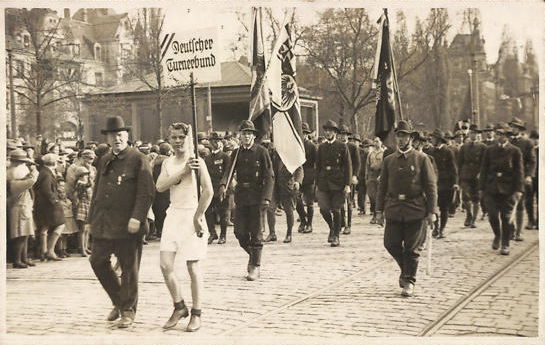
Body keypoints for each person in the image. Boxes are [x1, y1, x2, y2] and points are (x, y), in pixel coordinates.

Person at [88, 116, 155, 328]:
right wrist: (91, 220)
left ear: (127, 136)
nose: (116, 138)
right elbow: (97, 191)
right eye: (112, 135)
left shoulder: (138, 158)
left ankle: (128, 310)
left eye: (120, 134)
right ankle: (118, 301)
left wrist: (137, 217)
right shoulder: (105, 159)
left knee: (129, 268)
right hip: (104, 222)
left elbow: (146, 193)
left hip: (128, 224)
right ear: (107, 138)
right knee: (97, 261)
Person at [156, 122, 213, 331]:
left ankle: (197, 313)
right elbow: (160, 186)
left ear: (188, 139)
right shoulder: (168, 163)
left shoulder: (198, 162)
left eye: (182, 137)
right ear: (169, 139)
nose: (178, 141)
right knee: (165, 265)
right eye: (174, 137)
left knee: (193, 266)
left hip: (191, 215)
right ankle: (179, 306)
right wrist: (182, 172)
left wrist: (198, 216)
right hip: (173, 215)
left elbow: (208, 191)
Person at [376, 120, 437, 297]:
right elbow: (382, 187)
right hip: (394, 208)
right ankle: (406, 270)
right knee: (390, 244)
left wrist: (432, 212)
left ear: (411, 138)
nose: (401, 139)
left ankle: (409, 281)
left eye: (404, 135)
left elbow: (430, 186)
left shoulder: (422, 159)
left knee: (412, 248)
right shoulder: (389, 160)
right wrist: (379, 211)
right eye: (398, 135)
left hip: (415, 209)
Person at [219, 120, 274, 281]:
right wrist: (223, 185)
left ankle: (255, 267)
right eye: (244, 133)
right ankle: (254, 257)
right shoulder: (236, 153)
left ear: (253, 136)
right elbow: (228, 171)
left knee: (256, 233)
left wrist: (266, 197)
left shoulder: (261, 152)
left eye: (249, 133)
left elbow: (269, 176)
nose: (247, 136)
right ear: (240, 136)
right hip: (241, 196)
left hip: (257, 196)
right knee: (240, 233)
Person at [479, 123, 524, 255]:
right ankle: (497, 235)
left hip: (508, 189)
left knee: (506, 217)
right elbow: (484, 169)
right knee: (492, 215)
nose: (501, 137)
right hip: (491, 188)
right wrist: (481, 188)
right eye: (499, 134)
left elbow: (519, 172)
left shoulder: (515, 151)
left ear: (508, 137)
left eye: (503, 135)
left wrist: (518, 190)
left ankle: (505, 244)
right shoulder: (489, 150)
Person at [315, 120, 352, 247]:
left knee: (336, 209)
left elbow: (348, 167)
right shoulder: (321, 147)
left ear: (335, 132)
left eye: (330, 130)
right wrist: (317, 183)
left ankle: (336, 235)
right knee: (324, 209)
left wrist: (347, 184)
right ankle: (332, 228)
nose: (327, 133)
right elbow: (318, 166)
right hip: (324, 183)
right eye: (326, 131)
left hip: (338, 183)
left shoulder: (342, 146)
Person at [7, 149, 39, 268]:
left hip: (24, 206)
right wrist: (34, 170)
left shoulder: (16, 175)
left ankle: (24, 258)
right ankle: (17, 259)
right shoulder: (14, 180)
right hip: (19, 208)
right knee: (19, 235)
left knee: (25, 234)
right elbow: (32, 180)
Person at [33, 153, 66, 261]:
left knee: (44, 227)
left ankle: (44, 251)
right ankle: (50, 250)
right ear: (54, 162)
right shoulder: (47, 173)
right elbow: (46, 190)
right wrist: (55, 200)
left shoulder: (44, 171)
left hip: (42, 204)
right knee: (60, 224)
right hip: (49, 205)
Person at [508, 117, 536, 241]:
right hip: (507, 178)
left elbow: (532, 161)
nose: (513, 129)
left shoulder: (527, 143)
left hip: (521, 177)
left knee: (519, 204)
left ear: (519, 129)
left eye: (515, 127)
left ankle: (518, 232)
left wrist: (529, 175)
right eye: (511, 126)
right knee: (506, 205)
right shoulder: (507, 141)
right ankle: (511, 229)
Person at [428, 129, 458, 239]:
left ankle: (442, 230)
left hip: (446, 184)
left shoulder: (448, 152)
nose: (431, 140)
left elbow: (453, 169)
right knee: (434, 207)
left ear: (439, 140)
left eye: (433, 138)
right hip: (433, 183)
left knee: (444, 208)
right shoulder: (430, 152)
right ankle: (436, 227)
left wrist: (455, 183)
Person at [458, 124, 487, 228]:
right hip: (466, 174)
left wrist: (481, 173)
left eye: (475, 133)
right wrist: (460, 175)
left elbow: (485, 163)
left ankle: (474, 219)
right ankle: (468, 215)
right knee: (465, 196)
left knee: (476, 198)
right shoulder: (464, 147)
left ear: (478, 135)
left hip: (477, 174)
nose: (473, 135)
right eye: (471, 133)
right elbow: (460, 162)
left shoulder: (483, 147)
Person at [204, 132, 231, 244]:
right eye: (214, 141)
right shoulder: (208, 158)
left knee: (223, 213)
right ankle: (212, 233)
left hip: (222, 189)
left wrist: (223, 186)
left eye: (219, 140)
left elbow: (227, 173)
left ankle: (223, 235)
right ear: (210, 143)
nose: (217, 143)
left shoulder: (225, 157)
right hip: (210, 189)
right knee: (207, 212)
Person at [338, 125, 360, 235]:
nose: (342, 136)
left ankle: (348, 225)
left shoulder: (353, 147)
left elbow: (357, 163)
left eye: (344, 134)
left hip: (350, 177)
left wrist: (355, 176)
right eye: (341, 134)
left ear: (347, 136)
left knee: (349, 202)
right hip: (339, 178)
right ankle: (342, 223)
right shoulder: (337, 146)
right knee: (340, 202)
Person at [296, 122, 317, 234]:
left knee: (309, 203)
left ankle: (309, 224)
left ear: (307, 134)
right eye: (300, 133)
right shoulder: (295, 145)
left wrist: (315, 177)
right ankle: (303, 220)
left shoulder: (312, 146)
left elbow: (316, 163)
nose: (302, 135)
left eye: (304, 133)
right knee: (297, 200)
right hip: (298, 178)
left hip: (309, 176)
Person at [365, 137, 385, 224]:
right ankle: (374, 213)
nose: (376, 143)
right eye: (375, 141)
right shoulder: (371, 153)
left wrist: (382, 175)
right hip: (372, 175)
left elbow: (385, 165)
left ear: (381, 142)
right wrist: (367, 176)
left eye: (377, 141)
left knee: (379, 196)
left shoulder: (384, 153)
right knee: (371, 196)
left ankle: (379, 215)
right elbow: (367, 165)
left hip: (380, 174)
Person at [357, 139, 372, 215]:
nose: (367, 149)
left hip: (371, 176)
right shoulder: (361, 155)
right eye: (366, 147)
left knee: (372, 194)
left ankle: (372, 209)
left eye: (369, 147)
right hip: (361, 176)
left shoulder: (372, 155)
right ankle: (362, 208)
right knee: (361, 193)